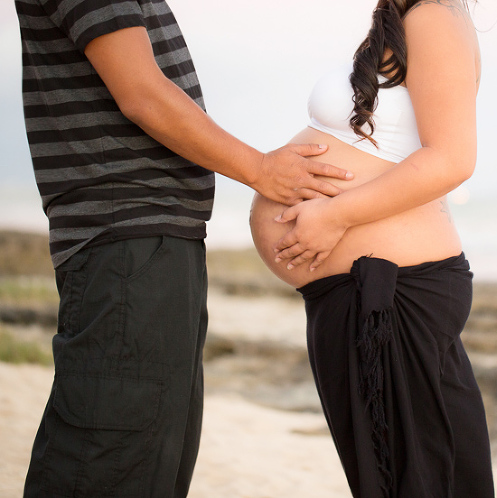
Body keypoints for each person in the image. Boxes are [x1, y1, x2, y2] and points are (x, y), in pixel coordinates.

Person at [15, 1, 353, 496]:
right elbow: (141, 93)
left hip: (148, 245)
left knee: (150, 460)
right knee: (108, 462)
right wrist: (261, 169)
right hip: (130, 244)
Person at [249, 0, 494, 495]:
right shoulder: (403, 23)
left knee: (410, 481)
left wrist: (333, 215)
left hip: (390, 294)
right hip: (362, 295)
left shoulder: (433, 14)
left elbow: (452, 158)